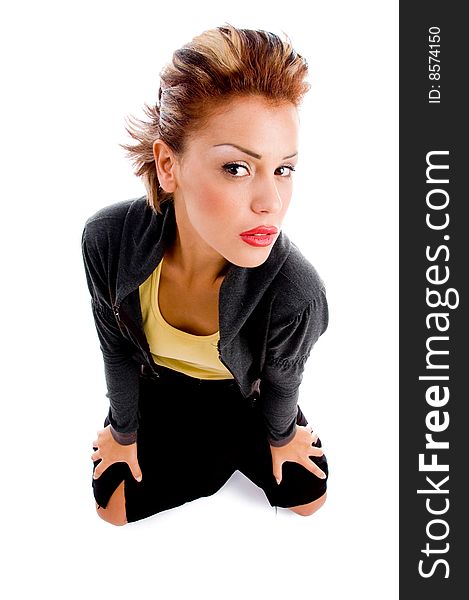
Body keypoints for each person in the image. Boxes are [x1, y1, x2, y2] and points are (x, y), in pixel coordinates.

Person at [81, 23, 329, 526]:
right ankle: (214, 459)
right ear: (168, 165)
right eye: (237, 168)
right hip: (161, 386)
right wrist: (125, 433)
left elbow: (283, 378)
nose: (271, 203)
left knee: (309, 498)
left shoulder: (297, 290)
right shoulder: (108, 239)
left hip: (243, 396)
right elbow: (117, 348)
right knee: (113, 509)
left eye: (284, 169)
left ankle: (215, 456)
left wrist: (280, 437)